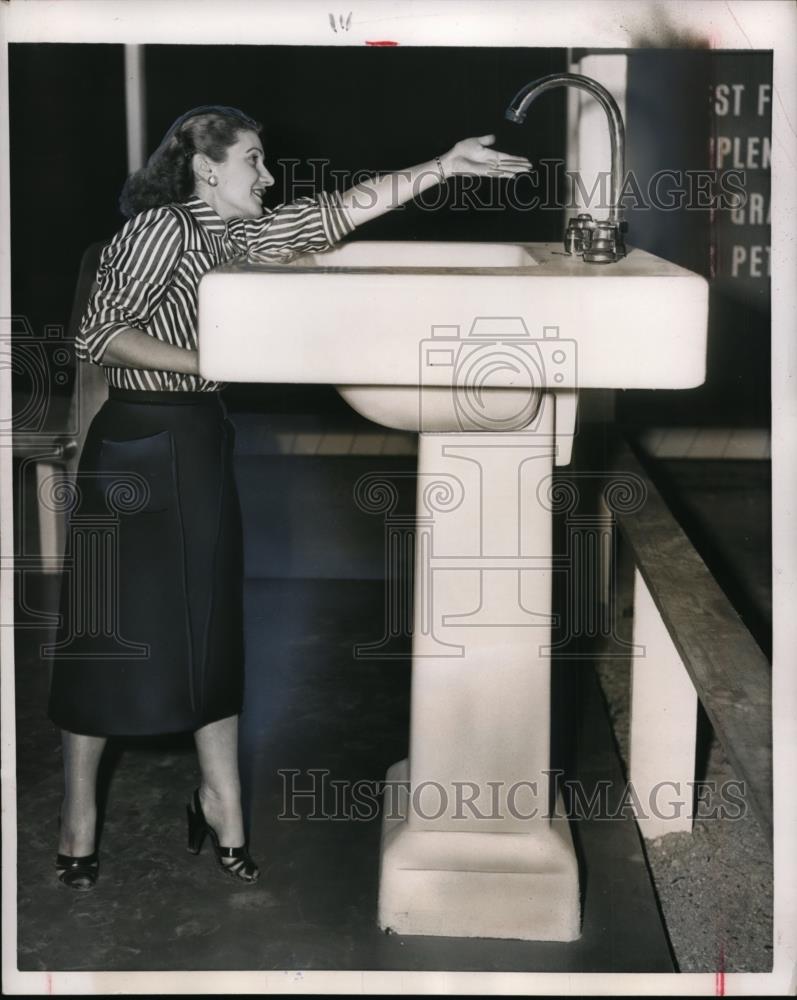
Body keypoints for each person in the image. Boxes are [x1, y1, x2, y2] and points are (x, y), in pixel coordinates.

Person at [48, 105, 531, 890]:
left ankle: (221, 804)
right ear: (206, 169)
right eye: (253, 161)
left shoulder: (242, 235)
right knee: (109, 637)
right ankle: (77, 820)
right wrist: (210, 360)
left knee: (210, 632)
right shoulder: (160, 229)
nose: (267, 177)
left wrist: (443, 163)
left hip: (200, 440)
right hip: (137, 443)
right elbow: (98, 334)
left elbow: (340, 209)